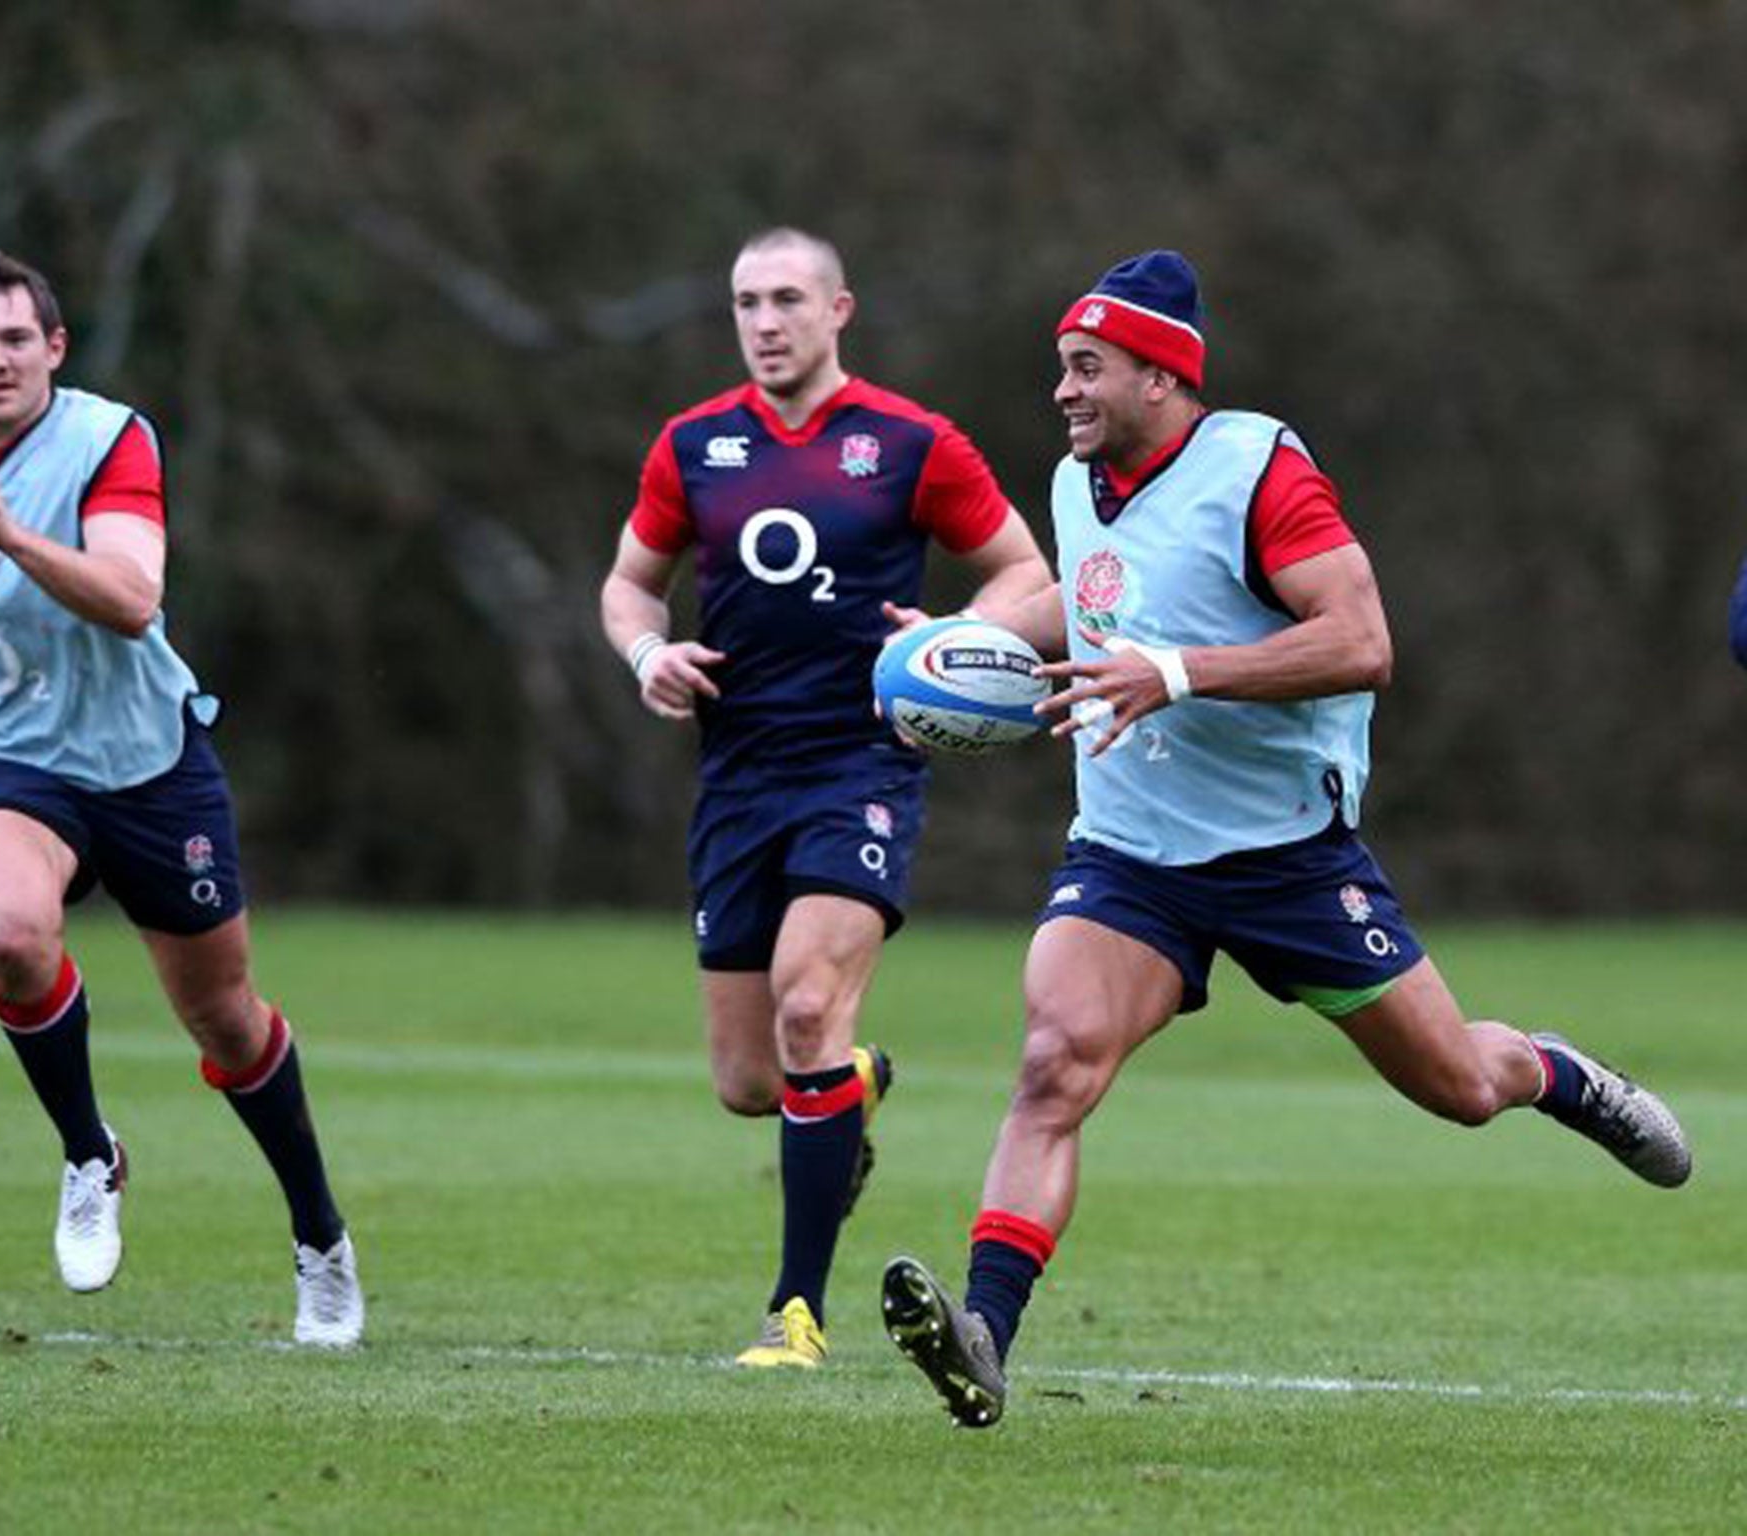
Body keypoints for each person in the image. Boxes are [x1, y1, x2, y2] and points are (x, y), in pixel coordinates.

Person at [879, 249, 1693, 1427]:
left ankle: (1556, 1072)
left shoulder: (1255, 469)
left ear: (1161, 376)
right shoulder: (1076, 479)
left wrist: (1178, 673)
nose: (1061, 390)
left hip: (1286, 860)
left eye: (1085, 366)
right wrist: (961, 637)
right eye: (1059, 366)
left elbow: (1358, 640)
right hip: (1129, 856)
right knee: (1054, 1061)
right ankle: (982, 1337)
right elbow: (1092, 595)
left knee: (1459, 1086)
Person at [0, 251, 363, 1346]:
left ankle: (320, 1239)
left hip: (144, 761)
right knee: (14, 939)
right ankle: (87, 1154)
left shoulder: (110, 438)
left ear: (54, 350)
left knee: (225, 1019)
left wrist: (15, 536)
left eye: (15, 338)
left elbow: (131, 597)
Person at [599, 227, 1051, 1367]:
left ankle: (794, 1315)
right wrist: (646, 655)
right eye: (746, 301)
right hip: (736, 777)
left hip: (860, 768)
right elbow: (626, 586)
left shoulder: (910, 443)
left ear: (837, 309)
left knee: (806, 1007)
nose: (764, 321)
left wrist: (959, 635)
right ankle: (847, 1092)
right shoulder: (691, 445)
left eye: (787, 299)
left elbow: (1025, 574)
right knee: (751, 1082)